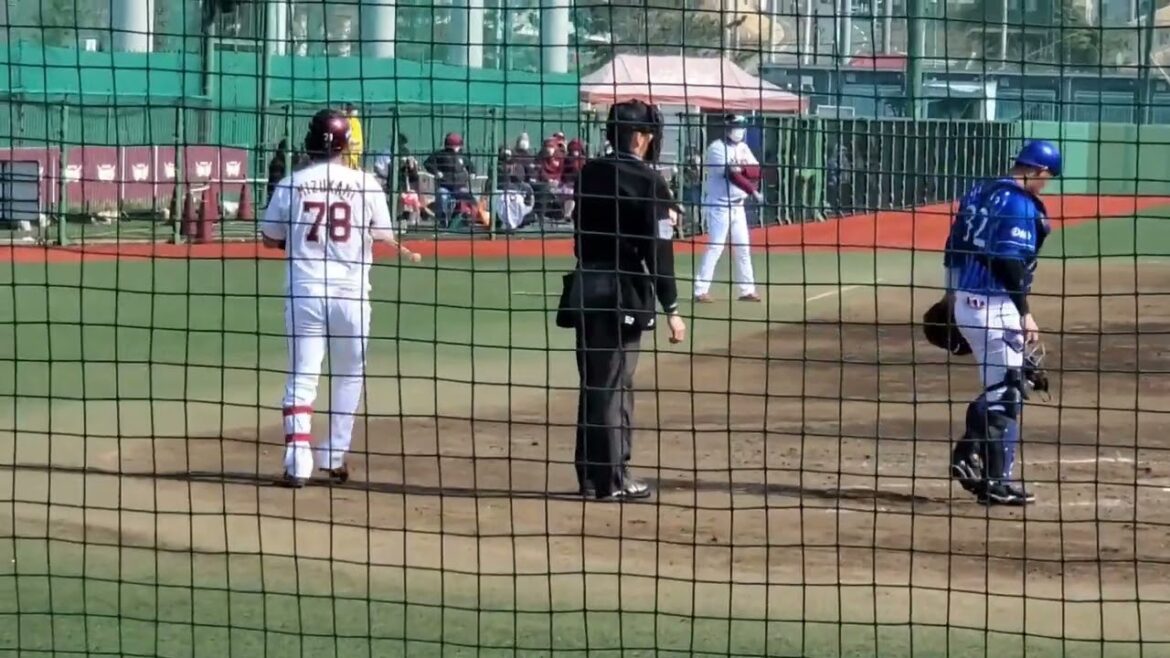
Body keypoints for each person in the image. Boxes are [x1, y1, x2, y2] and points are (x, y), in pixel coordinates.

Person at [259, 108, 423, 488]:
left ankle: (297, 463)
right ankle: (333, 455)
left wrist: (294, 239)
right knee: (350, 373)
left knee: (302, 376)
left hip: (305, 292)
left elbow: (269, 238)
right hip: (351, 296)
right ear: (346, 145)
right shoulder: (366, 183)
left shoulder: (292, 183)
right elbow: (383, 234)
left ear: (309, 142)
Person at [556, 99, 687, 501]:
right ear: (638, 137)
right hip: (623, 292)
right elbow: (658, 250)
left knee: (594, 383)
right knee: (615, 385)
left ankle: (590, 475)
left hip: (585, 286)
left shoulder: (589, 172)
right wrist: (672, 308)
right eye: (648, 133)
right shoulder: (648, 180)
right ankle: (614, 479)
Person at [937, 139, 1061, 506]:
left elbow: (954, 245)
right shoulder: (1019, 204)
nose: (1047, 183)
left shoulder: (981, 191)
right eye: (1049, 177)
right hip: (995, 305)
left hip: (969, 300)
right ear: (1039, 170)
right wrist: (1025, 312)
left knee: (1014, 381)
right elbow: (1007, 261)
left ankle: (970, 455)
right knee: (1006, 394)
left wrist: (951, 295)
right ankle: (993, 481)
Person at [693, 114, 762, 303]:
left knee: (743, 248)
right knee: (716, 246)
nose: (739, 129)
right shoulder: (716, 148)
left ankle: (747, 290)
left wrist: (742, 169)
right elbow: (731, 175)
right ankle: (700, 290)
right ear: (727, 128)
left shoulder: (743, 147)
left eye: (741, 126)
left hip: (738, 206)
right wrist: (752, 189)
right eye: (736, 126)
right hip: (719, 205)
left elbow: (757, 171)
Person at [423, 132, 478, 218]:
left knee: (467, 197)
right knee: (442, 196)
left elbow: (471, 166)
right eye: (455, 145)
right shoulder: (440, 155)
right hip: (445, 186)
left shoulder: (462, 156)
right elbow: (427, 163)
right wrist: (436, 172)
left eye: (458, 145)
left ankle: (459, 217)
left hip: (460, 186)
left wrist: (472, 173)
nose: (457, 148)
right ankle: (442, 218)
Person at [343, 103, 364, 170]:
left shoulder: (355, 122)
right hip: (347, 152)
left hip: (354, 151)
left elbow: (357, 139)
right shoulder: (346, 120)